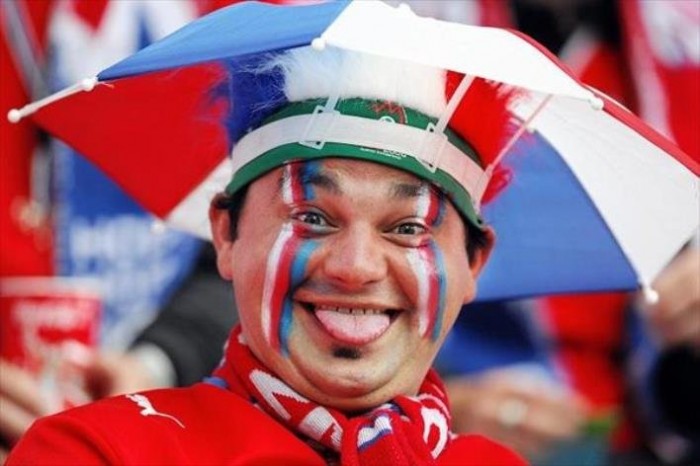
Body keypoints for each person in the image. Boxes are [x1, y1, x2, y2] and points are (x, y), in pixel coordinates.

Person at [6, 39, 529, 463]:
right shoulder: (97, 451)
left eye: (407, 227)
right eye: (312, 217)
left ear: (473, 262)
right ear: (226, 235)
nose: (355, 267)